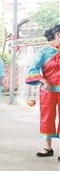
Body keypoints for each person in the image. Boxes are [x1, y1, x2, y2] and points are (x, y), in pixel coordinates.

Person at [25, 24, 60, 159]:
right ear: (58, 35)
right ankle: (48, 148)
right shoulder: (44, 52)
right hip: (48, 90)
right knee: (47, 117)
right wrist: (44, 81)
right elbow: (33, 69)